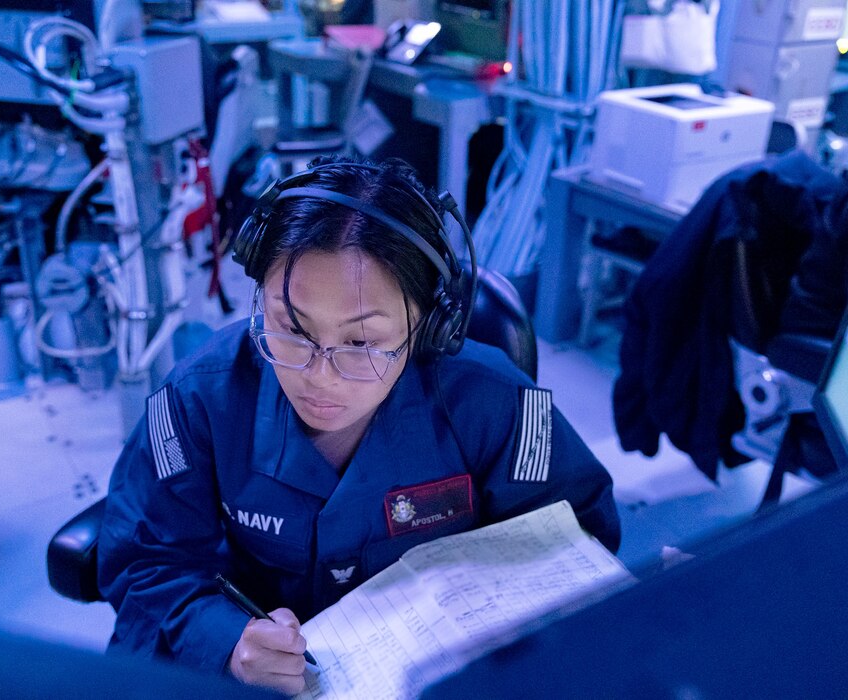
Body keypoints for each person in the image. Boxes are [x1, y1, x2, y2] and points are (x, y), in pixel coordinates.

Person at [97, 158, 620, 695]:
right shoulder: (198, 399)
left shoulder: (494, 402)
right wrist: (229, 643)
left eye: (361, 343)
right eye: (290, 329)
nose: (319, 377)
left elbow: (572, 538)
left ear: (427, 325)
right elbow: (146, 563)